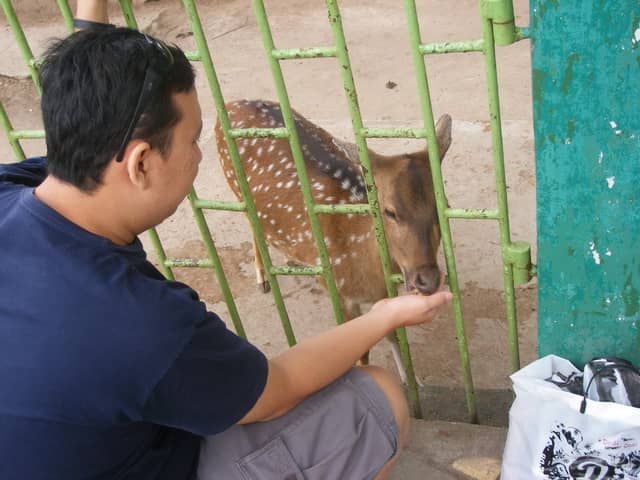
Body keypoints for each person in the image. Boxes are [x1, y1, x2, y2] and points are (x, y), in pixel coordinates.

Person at [0, 4, 452, 480]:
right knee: (377, 396)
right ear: (139, 163)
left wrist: (90, 29)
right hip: (159, 460)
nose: (200, 157)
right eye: (193, 141)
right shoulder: (144, 323)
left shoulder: (19, 189)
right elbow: (278, 388)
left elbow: (79, 115)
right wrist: (383, 316)